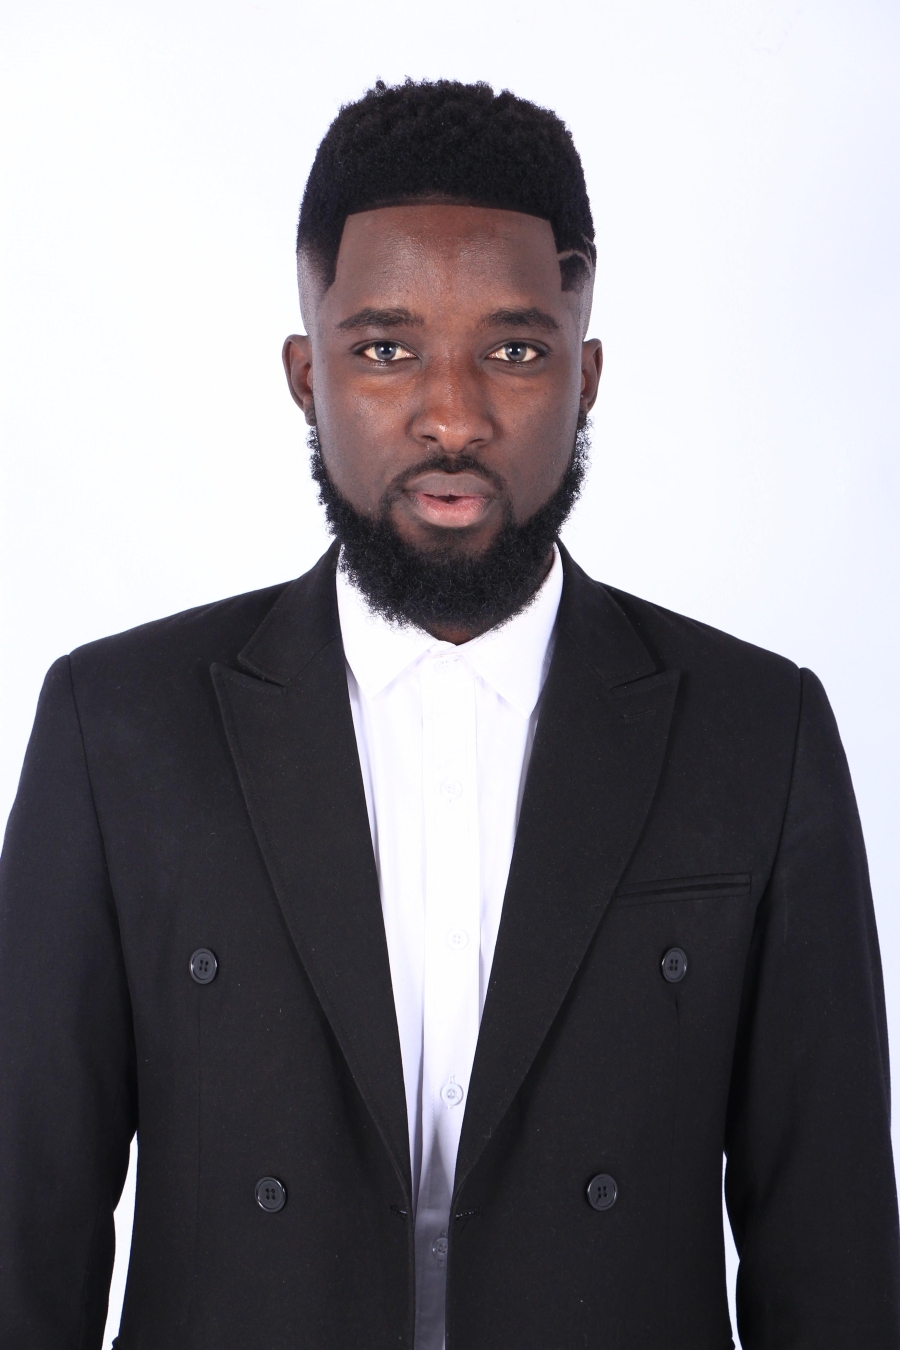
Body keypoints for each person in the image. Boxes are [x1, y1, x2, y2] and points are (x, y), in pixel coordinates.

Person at [0, 78, 897, 1350]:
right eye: (386, 349)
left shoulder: (760, 734)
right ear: (306, 376)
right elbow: (23, 1238)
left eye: (515, 351)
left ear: (586, 376)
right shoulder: (116, 730)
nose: (454, 416)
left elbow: (835, 1264)